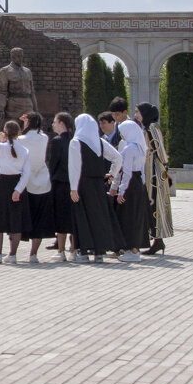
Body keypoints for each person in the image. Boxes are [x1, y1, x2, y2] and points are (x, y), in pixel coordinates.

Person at [68, 113, 125, 263]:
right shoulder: (99, 142)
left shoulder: (76, 142)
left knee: (82, 217)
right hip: (98, 185)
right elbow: (118, 158)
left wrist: (73, 188)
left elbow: (74, 168)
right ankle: (99, 253)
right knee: (98, 217)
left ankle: (83, 253)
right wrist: (112, 174)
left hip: (82, 184)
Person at [0, 120, 32, 264]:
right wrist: (18, 190)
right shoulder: (24, 150)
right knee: (16, 220)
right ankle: (12, 255)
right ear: (19, 133)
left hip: (3, 183)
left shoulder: (1, 147)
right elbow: (27, 173)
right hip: (17, 183)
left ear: (5, 133)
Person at [135, 102, 174, 255]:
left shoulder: (152, 128)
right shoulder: (146, 128)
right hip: (149, 169)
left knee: (155, 203)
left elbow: (159, 149)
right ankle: (157, 240)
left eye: (138, 112)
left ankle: (158, 240)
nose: (136, 115)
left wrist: (164, 163)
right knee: (151, 204)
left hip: (155, 172)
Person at [112, 119, 151, 262]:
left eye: (122, 132)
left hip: (130, 184)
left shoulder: (129, 149)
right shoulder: (140, 148)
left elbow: (126, 172)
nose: (121, 135)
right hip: (138, 183)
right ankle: (134, 249)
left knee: (128, 217)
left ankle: (132, 250)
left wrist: (121, 191)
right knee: (136, 216)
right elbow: (142, 171)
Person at [17, 111, 53, 263]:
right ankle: (33, 254)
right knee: (39, 218)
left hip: (26, 181)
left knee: (21, 217)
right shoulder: (44, 138)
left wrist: (23, 125)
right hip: (42, 180)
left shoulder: (21, 139)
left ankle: (13, 252)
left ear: (28, 122)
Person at [45, 112, 75, 261]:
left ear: (62, 123)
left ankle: (61, 250)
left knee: (61, 217)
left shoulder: (57, 141)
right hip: (73, 183)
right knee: (73, 217)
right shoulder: (74, 140)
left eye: (55, 122)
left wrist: (49, 179)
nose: (53, 125)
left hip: (60, 182)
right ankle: (74, 250)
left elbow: (53, 163)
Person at [0, 48, 36, 128]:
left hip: (28, 105)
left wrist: (36, 109)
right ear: (12, 57)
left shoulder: (27, 71)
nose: (20, 58)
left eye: (21, 56)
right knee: (13, 129)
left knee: (29, 128)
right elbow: (1, 91)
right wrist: (1, 109)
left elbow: (32, 92)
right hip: (13, 107)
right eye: (18, 56)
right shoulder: (5, 71)